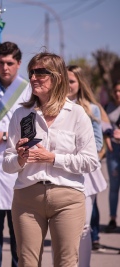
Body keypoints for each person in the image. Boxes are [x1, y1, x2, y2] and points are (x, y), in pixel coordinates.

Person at [2, 52, 99, 267]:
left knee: (66, 263)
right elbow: (7, 164)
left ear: (57, 77)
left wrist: (53, 158)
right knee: (27, 263)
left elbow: (91, 161)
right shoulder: (20, 114)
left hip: (68, 199)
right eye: (31, 72)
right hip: (27, 199)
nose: (34, 77)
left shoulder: (77, 114)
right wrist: (19, 158)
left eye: (41, 72)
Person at [0, 41, 30, 267]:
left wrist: (0, 137)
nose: (5, 67)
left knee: (20, 240)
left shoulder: (29, 92)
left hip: (18, 178)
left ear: (19, 64)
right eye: (0, 62)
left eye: (10, 62)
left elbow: (33, 133)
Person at [67, 65, 108, 266]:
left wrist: (73, 150)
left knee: (83, 227)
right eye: (64, 80)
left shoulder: (91, 109)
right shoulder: (56, 106)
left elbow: (98, 143)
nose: (68, 85)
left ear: (80, 83)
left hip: (85, 174)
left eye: (72, 81)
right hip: (61, 170)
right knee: (65, 227)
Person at [104, 80, 120, 232]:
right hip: (113, 150)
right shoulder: (108, 107)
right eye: (115, 91)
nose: (117, 94)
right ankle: (112, 219)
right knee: (113, 186)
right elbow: (105, 126)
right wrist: (108, 140)